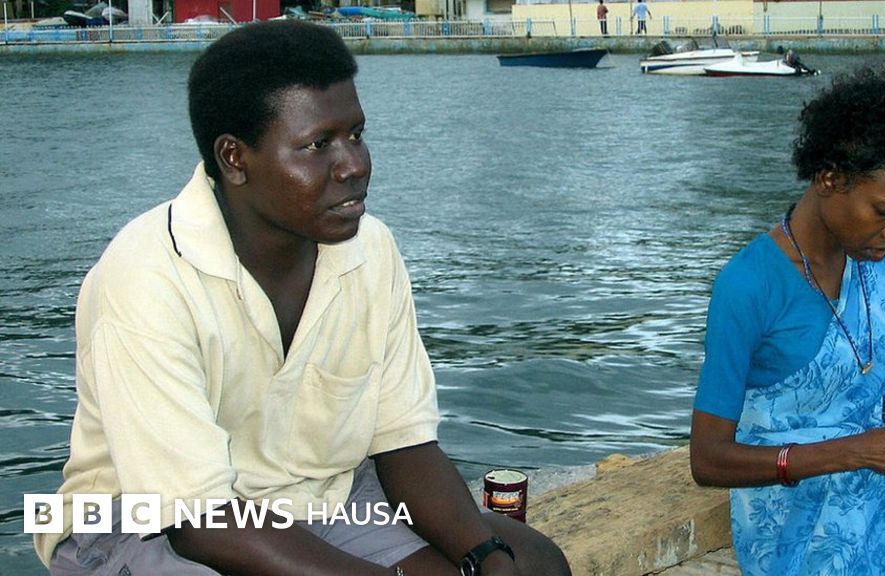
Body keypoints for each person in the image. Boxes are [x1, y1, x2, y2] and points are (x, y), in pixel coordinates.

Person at [35, 20, 570, 576]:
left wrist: (484, 555)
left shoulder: (370, 251)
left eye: (356, 135)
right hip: (148, 516)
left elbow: (403, 445)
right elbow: (198, 521)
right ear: (234, 159)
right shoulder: (148, 277)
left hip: (319, 495)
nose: (354, 164)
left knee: (533, 563)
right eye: (318, 145)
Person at [690, 67, 885, 576]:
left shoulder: (872, 262)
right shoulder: (749, 285)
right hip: (797, 536)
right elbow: (709, 459)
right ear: (829, 179)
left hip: (881, 519)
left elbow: (846, 397)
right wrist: (855, 452)